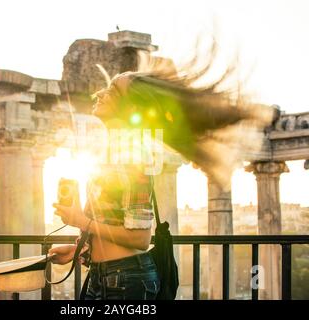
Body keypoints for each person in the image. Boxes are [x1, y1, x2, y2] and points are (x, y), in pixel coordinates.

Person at [49, 45, 276, 300]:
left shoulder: (134, 158)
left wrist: (80, 220)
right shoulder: (111, 153)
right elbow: (112, 226)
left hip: (127, 281)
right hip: (103, 276)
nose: (100, 93)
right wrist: (81, 251)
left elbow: (139, 239)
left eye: (112, 91)